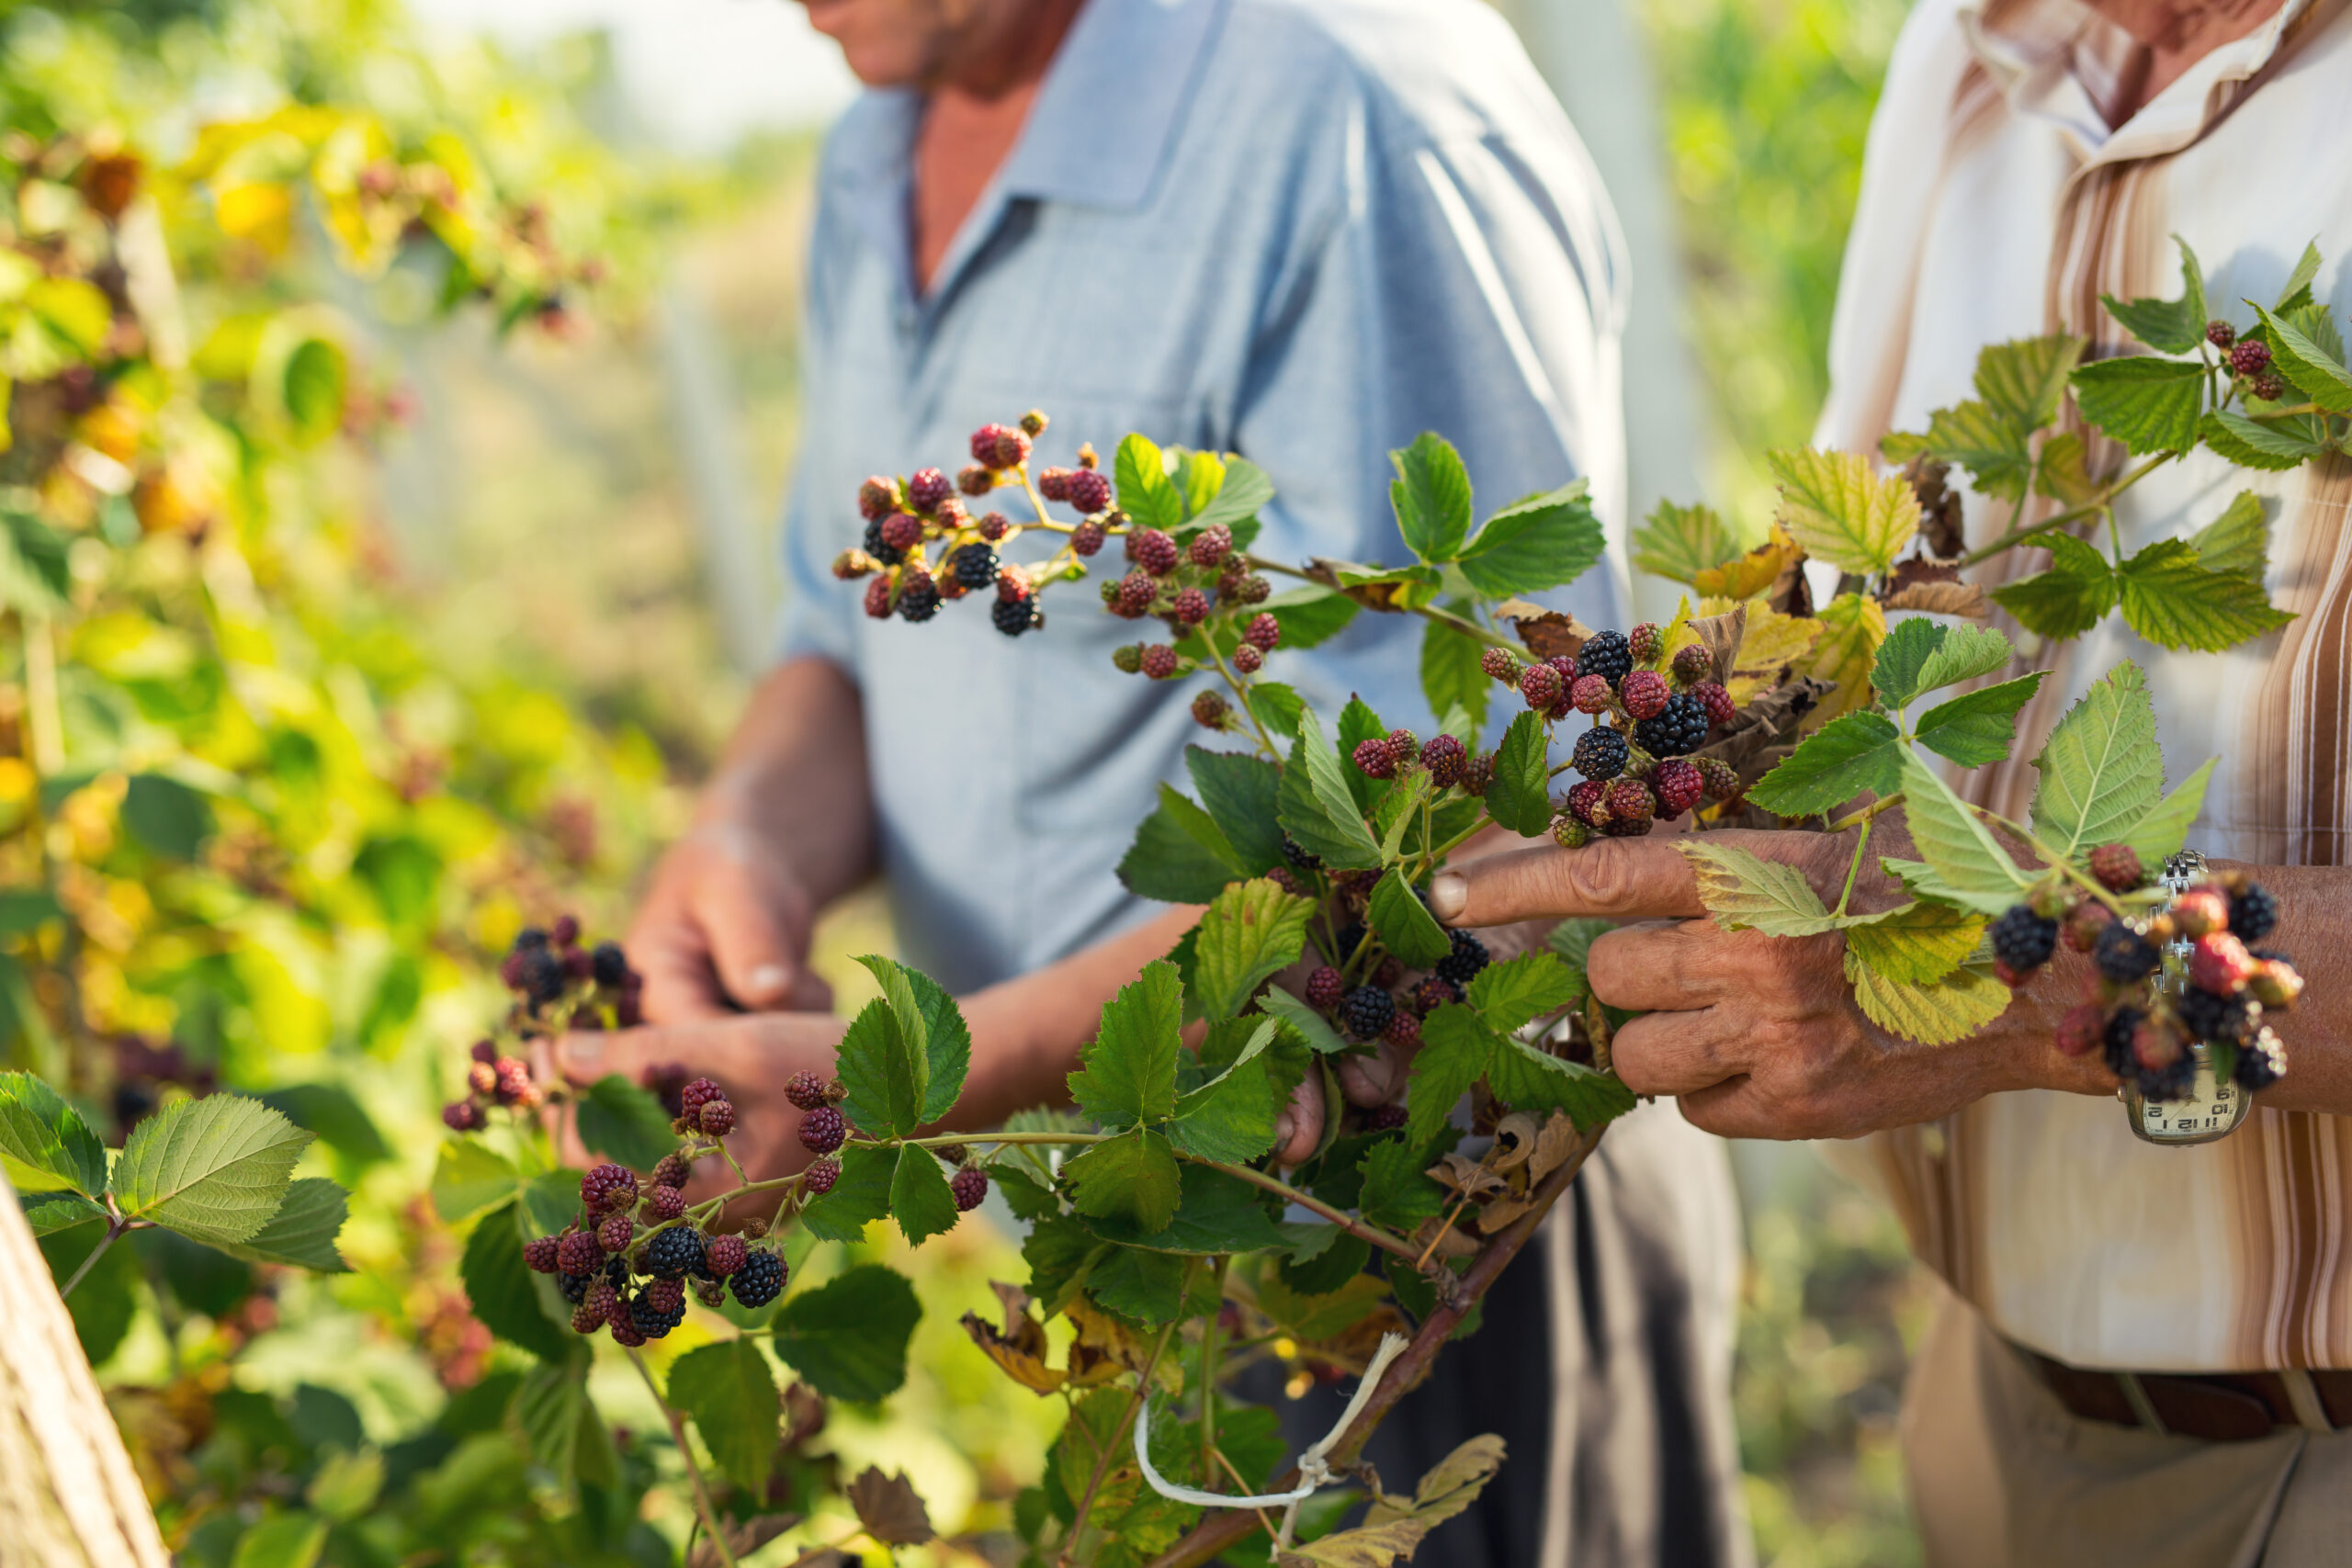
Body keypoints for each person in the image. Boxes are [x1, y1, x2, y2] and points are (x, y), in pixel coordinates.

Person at [548, 0, 1756, 1562]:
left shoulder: (1349, 108)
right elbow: (847, 634)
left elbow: (1468, 824)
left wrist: (902, 1105)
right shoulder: (877, 149)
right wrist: (743, 846)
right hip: (1136, 1242)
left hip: (1410, 1232)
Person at [1427, 0, 2352, 1562]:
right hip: (1999, 1419)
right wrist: (1617, 820)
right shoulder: (1967, 59)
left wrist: (1993, 982)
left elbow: (1971, 972)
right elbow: (1863, 625)